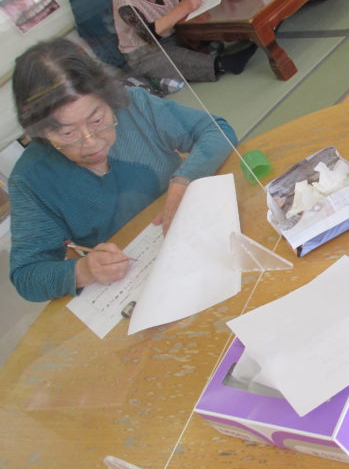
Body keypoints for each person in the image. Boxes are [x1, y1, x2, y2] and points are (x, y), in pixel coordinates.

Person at [8, 39, 237, 303]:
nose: (91, 142)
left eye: (97, 120)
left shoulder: (134, 106)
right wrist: (83, 270)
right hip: (140, 278)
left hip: (202, 232)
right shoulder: (31, 180)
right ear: (40, 133)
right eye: (68, 133)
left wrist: (183, 181)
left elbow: (215, 130)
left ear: (107, 97)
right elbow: (27, 276)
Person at [112, 0, 256, 83]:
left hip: (174, 34)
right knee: (172, 58)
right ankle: (223, 64)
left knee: (202, 29)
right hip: (147, 53)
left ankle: (244, 35)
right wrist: (183, 7)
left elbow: (181, 9)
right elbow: (149, 36)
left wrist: (198, 2)